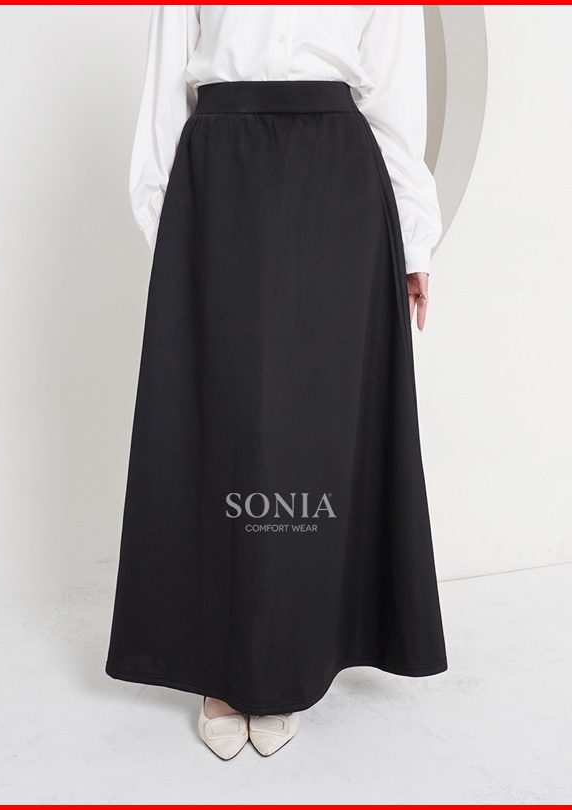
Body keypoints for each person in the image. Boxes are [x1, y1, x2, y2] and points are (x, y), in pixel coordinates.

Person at [105, 5, 448, 760]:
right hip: (220, 175)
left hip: (338, 178)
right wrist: (174, 235)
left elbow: (395, 103)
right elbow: (164, 95)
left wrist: (416, 241)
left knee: (314, 427)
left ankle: (293, 654)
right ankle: (223, 666)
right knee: (230, 420)